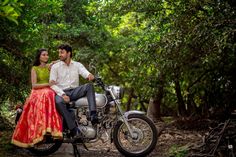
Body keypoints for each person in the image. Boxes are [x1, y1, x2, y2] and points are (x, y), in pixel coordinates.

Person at [11, 48, 63, 148]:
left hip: (48, 90)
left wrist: (59, 58)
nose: (46, 56)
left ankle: (51, 128)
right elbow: (34, 85)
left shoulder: (49, 67)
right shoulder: (34, 68)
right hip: (37, 91)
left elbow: (60, 61)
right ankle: (41, 130)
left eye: (47, 55)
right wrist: (48, 84)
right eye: (43, 55)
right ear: (39, 57)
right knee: (47, 93)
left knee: (52, 93)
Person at [50, 44, 98, 138]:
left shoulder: (77, 65)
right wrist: (63, 94)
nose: (59, 55)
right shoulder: (55, 67)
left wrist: (89, 75)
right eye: (59, 52)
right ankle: (73, 129)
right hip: (61, 92)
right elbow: (52, 84)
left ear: (69, 53)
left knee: (89, 86)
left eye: (62, 52)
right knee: (58, 102)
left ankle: (93, 114)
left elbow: (85, 72)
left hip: (75, 91)